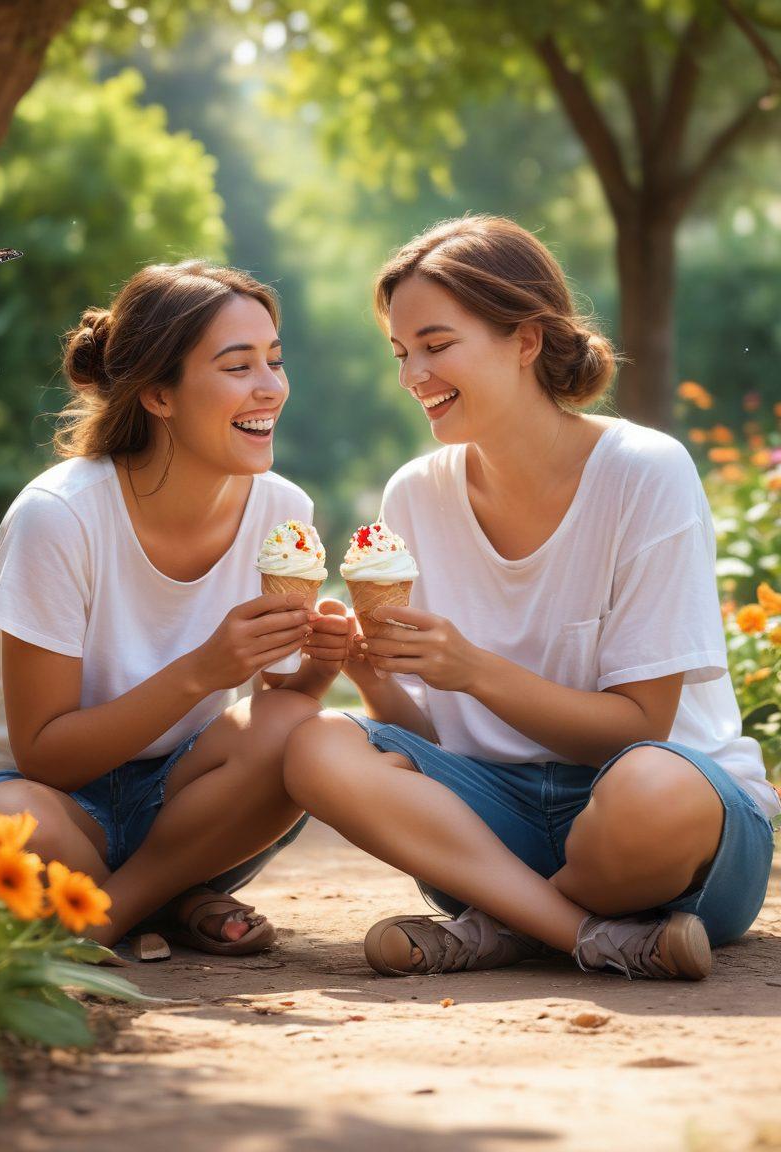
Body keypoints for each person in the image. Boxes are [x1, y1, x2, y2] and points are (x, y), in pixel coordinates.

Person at [283, 215, 780, 981]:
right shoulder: (414, 495)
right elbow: (441, 736)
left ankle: (507, 928)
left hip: (670, 833)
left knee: (650, 788)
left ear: (527, 339)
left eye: (438, 345)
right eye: (403, 353)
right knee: (316, 744)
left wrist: (473, 669)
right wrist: (375, 672)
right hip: (499, 822)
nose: (414, 374)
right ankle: (578, 929)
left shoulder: (644, 473)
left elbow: (638, 728)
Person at [0, 260, 348, 955]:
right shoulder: (61, 517)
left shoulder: (283, 510)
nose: (271, 387)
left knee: (295, 727)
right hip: (11, 782)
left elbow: (272, 700)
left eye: (274, 360)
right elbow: (47, 756)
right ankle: (174, 903)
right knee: (23, 829)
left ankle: (115, 910)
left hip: (168, 800)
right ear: (158, 396)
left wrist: (317, 668)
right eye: (237, 367)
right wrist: (204, 671)